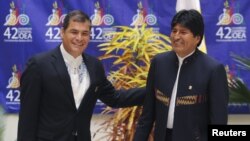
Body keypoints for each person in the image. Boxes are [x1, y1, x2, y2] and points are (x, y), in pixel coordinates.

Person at [17, 10, 145, 141]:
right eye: (74, 32)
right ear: (62, 33)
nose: (79, 38)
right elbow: (28, 117)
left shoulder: (95, 66)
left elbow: (115, 98)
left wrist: (153, 89)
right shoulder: (39, 65)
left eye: (85, 33)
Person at [133, 9, 229, 141]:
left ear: (197, 38)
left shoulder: (213, 69)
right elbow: (147, 114)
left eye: (183, 32)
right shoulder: (159, 63)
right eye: (174, 31)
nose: (176, 36)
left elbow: (218, 121)